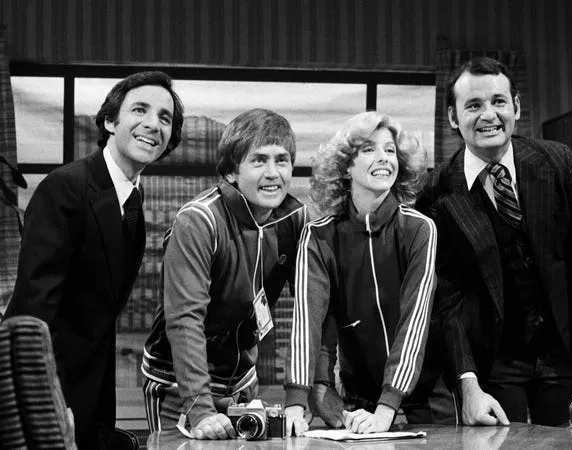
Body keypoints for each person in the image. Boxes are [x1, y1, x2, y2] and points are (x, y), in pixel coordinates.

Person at [4, 70, 184, 448]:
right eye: (140, 110)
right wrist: (47, 404)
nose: (153, 124)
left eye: (164, 118)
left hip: (93, 395)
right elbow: (31, 311)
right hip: (48, 395)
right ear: (109, 121)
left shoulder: (133, 199)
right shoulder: (66, 188)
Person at [417, 56, 572, 426]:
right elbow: (444, 302)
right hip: (492, 364)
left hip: (567, 353)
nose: (489, 115)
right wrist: (466, 383)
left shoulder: (558, 162)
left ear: (516, 107)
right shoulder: (435, 193)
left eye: (499, 101)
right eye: (473, 105)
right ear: (453, 118)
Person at [142, 108, 308, 440]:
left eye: (282, 160)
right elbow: (185, 319)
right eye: (259, 160)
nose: (273, 173)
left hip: (243, 384)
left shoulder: (295, 217)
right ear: (232, 171)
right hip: (179, 387)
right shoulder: (199, 220)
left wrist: (297, 402)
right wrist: (200, 409)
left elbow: (310, 312)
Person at [284, 111, 438, 435]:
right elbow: (308, 322)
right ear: (345, 166)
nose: (383, 158)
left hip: (419, 404)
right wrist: (297, 401)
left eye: (390, 150)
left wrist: (386, 409)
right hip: (353, 405)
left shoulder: (419, 229)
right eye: (368, 149)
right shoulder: (319, 235)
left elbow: (415, 322)